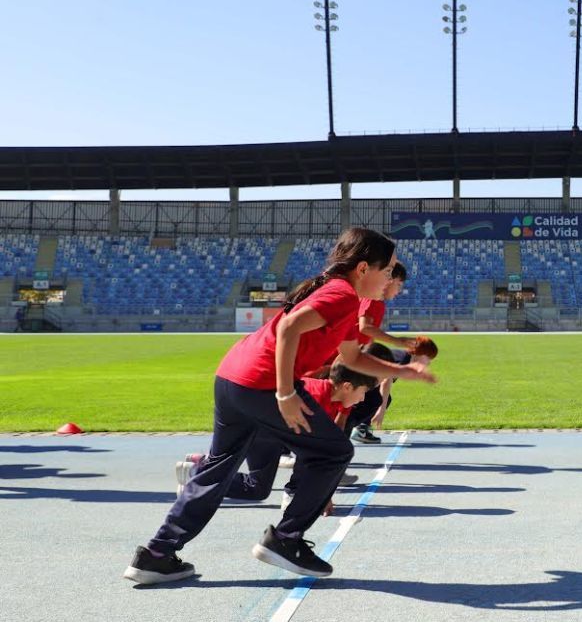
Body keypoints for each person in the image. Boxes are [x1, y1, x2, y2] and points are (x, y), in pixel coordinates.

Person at [124, 228, 436, 585]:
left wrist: (402, 371)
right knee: (334, 452)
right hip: (261, 383)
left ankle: (156, 555)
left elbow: (351, 358)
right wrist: (286, 394)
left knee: (216, 472)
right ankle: (285, 540)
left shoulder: (342, 298)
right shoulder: (343, 295)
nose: (391, 278)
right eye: (389, 269)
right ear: (364, 268)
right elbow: (288, 329)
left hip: (232, 376)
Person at [173, 357, 381, 503]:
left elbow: (332, 440)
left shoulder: (339, 399)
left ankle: (195, 475)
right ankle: (202, 473)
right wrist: (313, 496)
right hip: (260, 429)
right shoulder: (314, 399)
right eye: (363, 392)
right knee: (252, 480)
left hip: (269, 431)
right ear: (346, 386)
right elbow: (308, 453)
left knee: (257, 489)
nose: (363, 398)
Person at [345, 339, 438, 441]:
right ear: (419, 354)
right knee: (376, 400)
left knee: (380, 398)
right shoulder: (403, 359)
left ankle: (360, 427)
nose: (429, 362)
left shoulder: (406, 359)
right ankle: (348, 427)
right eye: (428, 358)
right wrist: (381, 410)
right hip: (357, 376)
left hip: (365, 377)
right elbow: (386, 381)